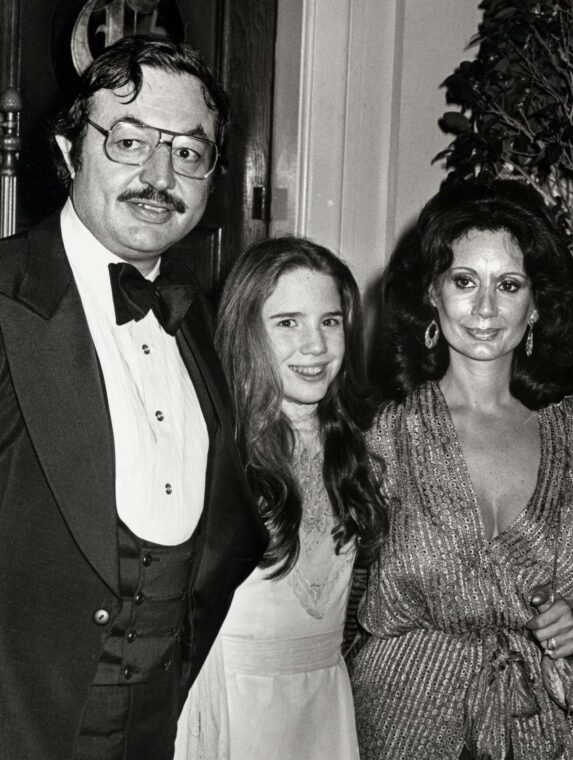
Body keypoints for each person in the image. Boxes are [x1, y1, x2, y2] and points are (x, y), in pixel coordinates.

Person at [0, 36, 267, 760]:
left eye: (188, 151)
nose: (158, 174)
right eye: (129, 140)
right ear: (68, 150)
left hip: (157, 729)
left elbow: (229, 528)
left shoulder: (199, 318)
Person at [351, 178, 573, 760]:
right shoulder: (384, 431)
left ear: (537, 303)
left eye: (509, 285)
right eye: (464, 281)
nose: (485, 309)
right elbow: (337, 601)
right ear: (432, 292)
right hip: (404, 725)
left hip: (551, 729)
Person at [174, 236, 388, 760]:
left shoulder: (359, 447)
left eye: (329, 322)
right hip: (231, 708)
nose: (314, 346)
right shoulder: (212, 448)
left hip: (323, 709)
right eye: (288, 322)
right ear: (248, 332)